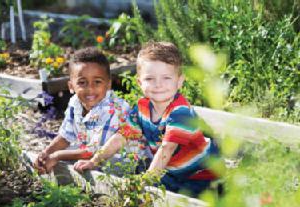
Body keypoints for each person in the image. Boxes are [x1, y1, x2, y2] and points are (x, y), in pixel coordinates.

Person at [74, 42, 221, 197]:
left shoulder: (180, 112)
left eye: (166, 78)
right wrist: (94, 161)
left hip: (201, 173)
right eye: (150, 78)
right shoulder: (142, 108)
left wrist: (145, 182)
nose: (158, 85)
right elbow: (121, 137)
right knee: (143, 183)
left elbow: (167, 148)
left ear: (179, 81)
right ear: (139, 82)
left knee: (175, 198)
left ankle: (219, 189)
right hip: (172, 171)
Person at [33, 47, 130, 174]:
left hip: (120, 159)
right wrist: (45, 154)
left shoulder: (114, 108)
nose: (90, 89)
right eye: (82, 82)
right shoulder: (75, 102)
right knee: (63, 154)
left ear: (108, 84)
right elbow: (65, 136)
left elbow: (94, 151)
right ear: (71, 86)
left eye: (97, 82)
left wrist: (57, 156)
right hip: (90, 152)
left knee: (103, 163)